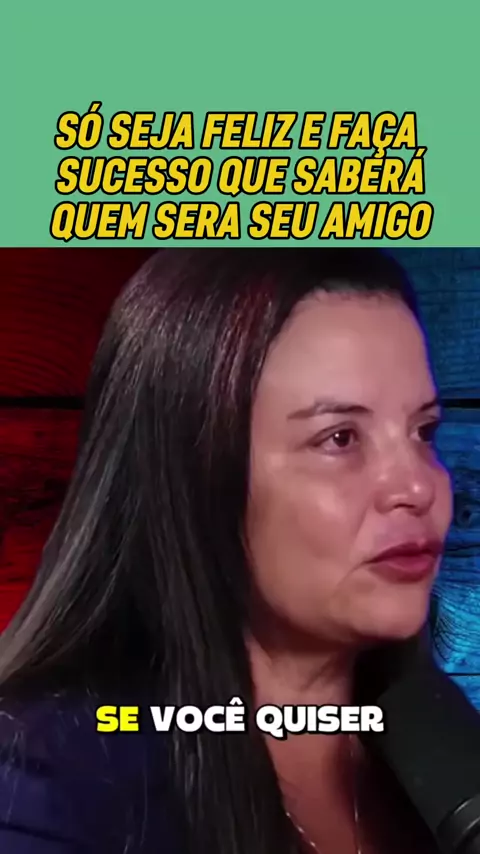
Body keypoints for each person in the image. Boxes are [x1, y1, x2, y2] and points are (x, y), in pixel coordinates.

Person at [0, 249, 453, 853]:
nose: (418, 487)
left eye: (424, 431)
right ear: (190, 474)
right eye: (340, 438)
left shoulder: (444, 751)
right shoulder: (49, 782)